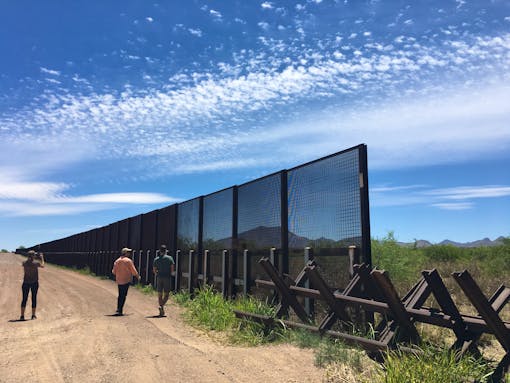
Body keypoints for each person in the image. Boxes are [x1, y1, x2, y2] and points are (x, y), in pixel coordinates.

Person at [112, 247, 141, 316]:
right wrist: (138, 276)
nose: (129, 253)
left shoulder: (117, 261)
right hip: (126, 280)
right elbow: (133, 271)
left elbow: (113, 271)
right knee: (123, 295)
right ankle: (120, 310)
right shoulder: (128, 261)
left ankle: (119, 308)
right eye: (128, 252)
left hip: (119, 280)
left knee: (120, 295)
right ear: (125, 253)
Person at [20, 250, 44, 320]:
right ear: (33, 256)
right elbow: (43, 265)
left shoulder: (24, 263)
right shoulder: (36, 263)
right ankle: (33, 315)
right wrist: (42, 257)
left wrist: (33, 257)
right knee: (34, 298)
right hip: (34, 283)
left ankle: (22, 316)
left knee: (24, 299)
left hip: (26, 283)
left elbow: (27, 262)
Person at [153, 244, 175, 316]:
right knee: (167, 294)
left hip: (159, 277)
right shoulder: (170, 258)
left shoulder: (156, 259)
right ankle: (161, 306)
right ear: (166, 251)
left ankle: (161, 309)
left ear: (160, 251)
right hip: (167, 277)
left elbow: (154, 270)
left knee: (159, 294)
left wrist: (157, 274)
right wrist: (171, 273)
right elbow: (172, 268)